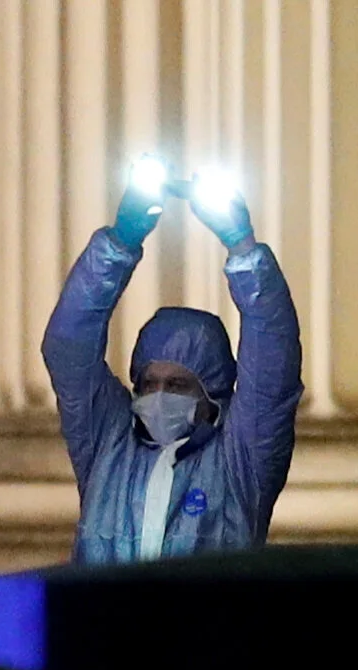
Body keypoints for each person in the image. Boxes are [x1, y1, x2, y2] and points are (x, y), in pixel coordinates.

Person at [42, 161, 303, 563]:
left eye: (179, 385)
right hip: (105, 609)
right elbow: (68, 348)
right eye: (149, 383)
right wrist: (119, 245)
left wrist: (244, 251)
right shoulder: (107, 444)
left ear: (212, 394)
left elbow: (273, 366)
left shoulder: (241, 460)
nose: (159, 395)